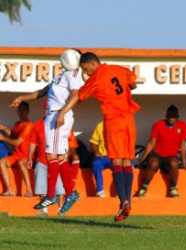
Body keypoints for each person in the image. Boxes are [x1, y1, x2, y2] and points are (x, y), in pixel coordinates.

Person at [62, 52, 140, 222]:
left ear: (92, 65)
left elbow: (80, 96)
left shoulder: (95, 78)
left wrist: (63, 110)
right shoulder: (117, 69)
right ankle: (128, 201)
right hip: (129, 119)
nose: (86, 73)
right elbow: (133, 84)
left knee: (116, 161)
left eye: (85, 69)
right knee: (127, 160)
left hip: (113, 121)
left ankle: (123, 201)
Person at [9, 49, 83, 214]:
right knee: (60, 157)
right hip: (54, 115)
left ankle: (52, 195)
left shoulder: (74, 74)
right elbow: (41, 92)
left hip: (58, 114)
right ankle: (70, 193)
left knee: (51, 156)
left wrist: (62, 113)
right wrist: (22, 97)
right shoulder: (61, 76)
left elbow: (76, 95)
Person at [138, 105, 186, 198]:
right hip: (157, 154)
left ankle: (173, 188)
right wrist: (142, 159)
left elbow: (183, 145)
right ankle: (143, 188)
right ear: (166, 117)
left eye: (173, 117)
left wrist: (184, 163)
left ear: (177, 118)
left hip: (171, 156)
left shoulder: (183, 126)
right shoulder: (158, 124)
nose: (171, 119)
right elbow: (151, 143)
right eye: (169, 117)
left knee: (174, 164)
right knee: (153, 163)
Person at [27, 100, 65, 216]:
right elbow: (33, 142)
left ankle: (61, 211)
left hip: (56, 161)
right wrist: (29, 158)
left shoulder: (59, 122)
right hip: (42, 160)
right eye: (46, 108)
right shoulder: (38, 124)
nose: (48, 110)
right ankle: (44, 210)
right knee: (41, 187)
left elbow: (65, 142)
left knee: (60, 188)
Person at [0, 102, 34, 197]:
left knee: (21, 163)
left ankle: (29, 190)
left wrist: (3, 138)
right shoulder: (17, 124)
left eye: (24, 110)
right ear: (17, 111)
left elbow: (17, 142)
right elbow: (13, 136)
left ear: (27, 112)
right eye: (20, 109)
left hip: (27, 156)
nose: (21, 112)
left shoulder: (28, 125)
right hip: (17, 155)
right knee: (1, 162)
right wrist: (5, 128)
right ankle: (9, 190)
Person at [90, 121, 112, 198]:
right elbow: (93, 143)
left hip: (117, 157)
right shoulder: (100, 125)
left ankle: (120, 192)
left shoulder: (121, 124)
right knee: (96, 163)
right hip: (103, 157)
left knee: (127, 166)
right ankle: (100, 191)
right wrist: (96, 152)